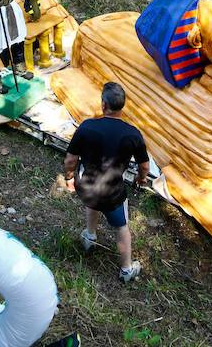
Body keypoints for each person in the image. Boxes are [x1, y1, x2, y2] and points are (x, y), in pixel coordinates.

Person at [63, 82, 149, 282]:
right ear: (122, 106)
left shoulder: (87, 127)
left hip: (87, 188)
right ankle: (126, 269)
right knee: (121, 227)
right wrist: (141, 178)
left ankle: (90, 236)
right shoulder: (132, 134)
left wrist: (69, 178)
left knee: (92, 204)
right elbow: (144, 166)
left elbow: (70, 160)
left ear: (103, 104)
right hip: (113, 194)